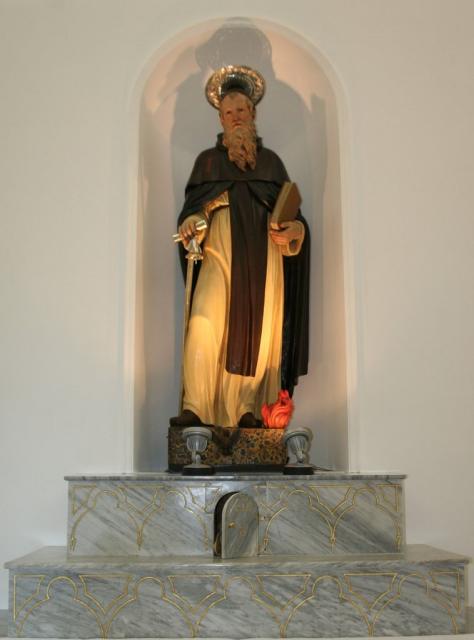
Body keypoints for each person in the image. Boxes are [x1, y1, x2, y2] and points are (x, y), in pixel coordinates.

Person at [171, 66, 309, 429]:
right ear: (220, 118)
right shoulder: (207, 162)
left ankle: (247, 408)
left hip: (264, 260)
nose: (236, 118)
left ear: (253, 114)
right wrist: (192, 221)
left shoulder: (271, 163)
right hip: (219, 253)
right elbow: (192, 211)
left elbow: (294, 217)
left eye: (242, 110)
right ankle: (197, 407)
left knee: (256, 333)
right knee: (203, 323)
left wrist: (294, 230)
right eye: (229, 112)